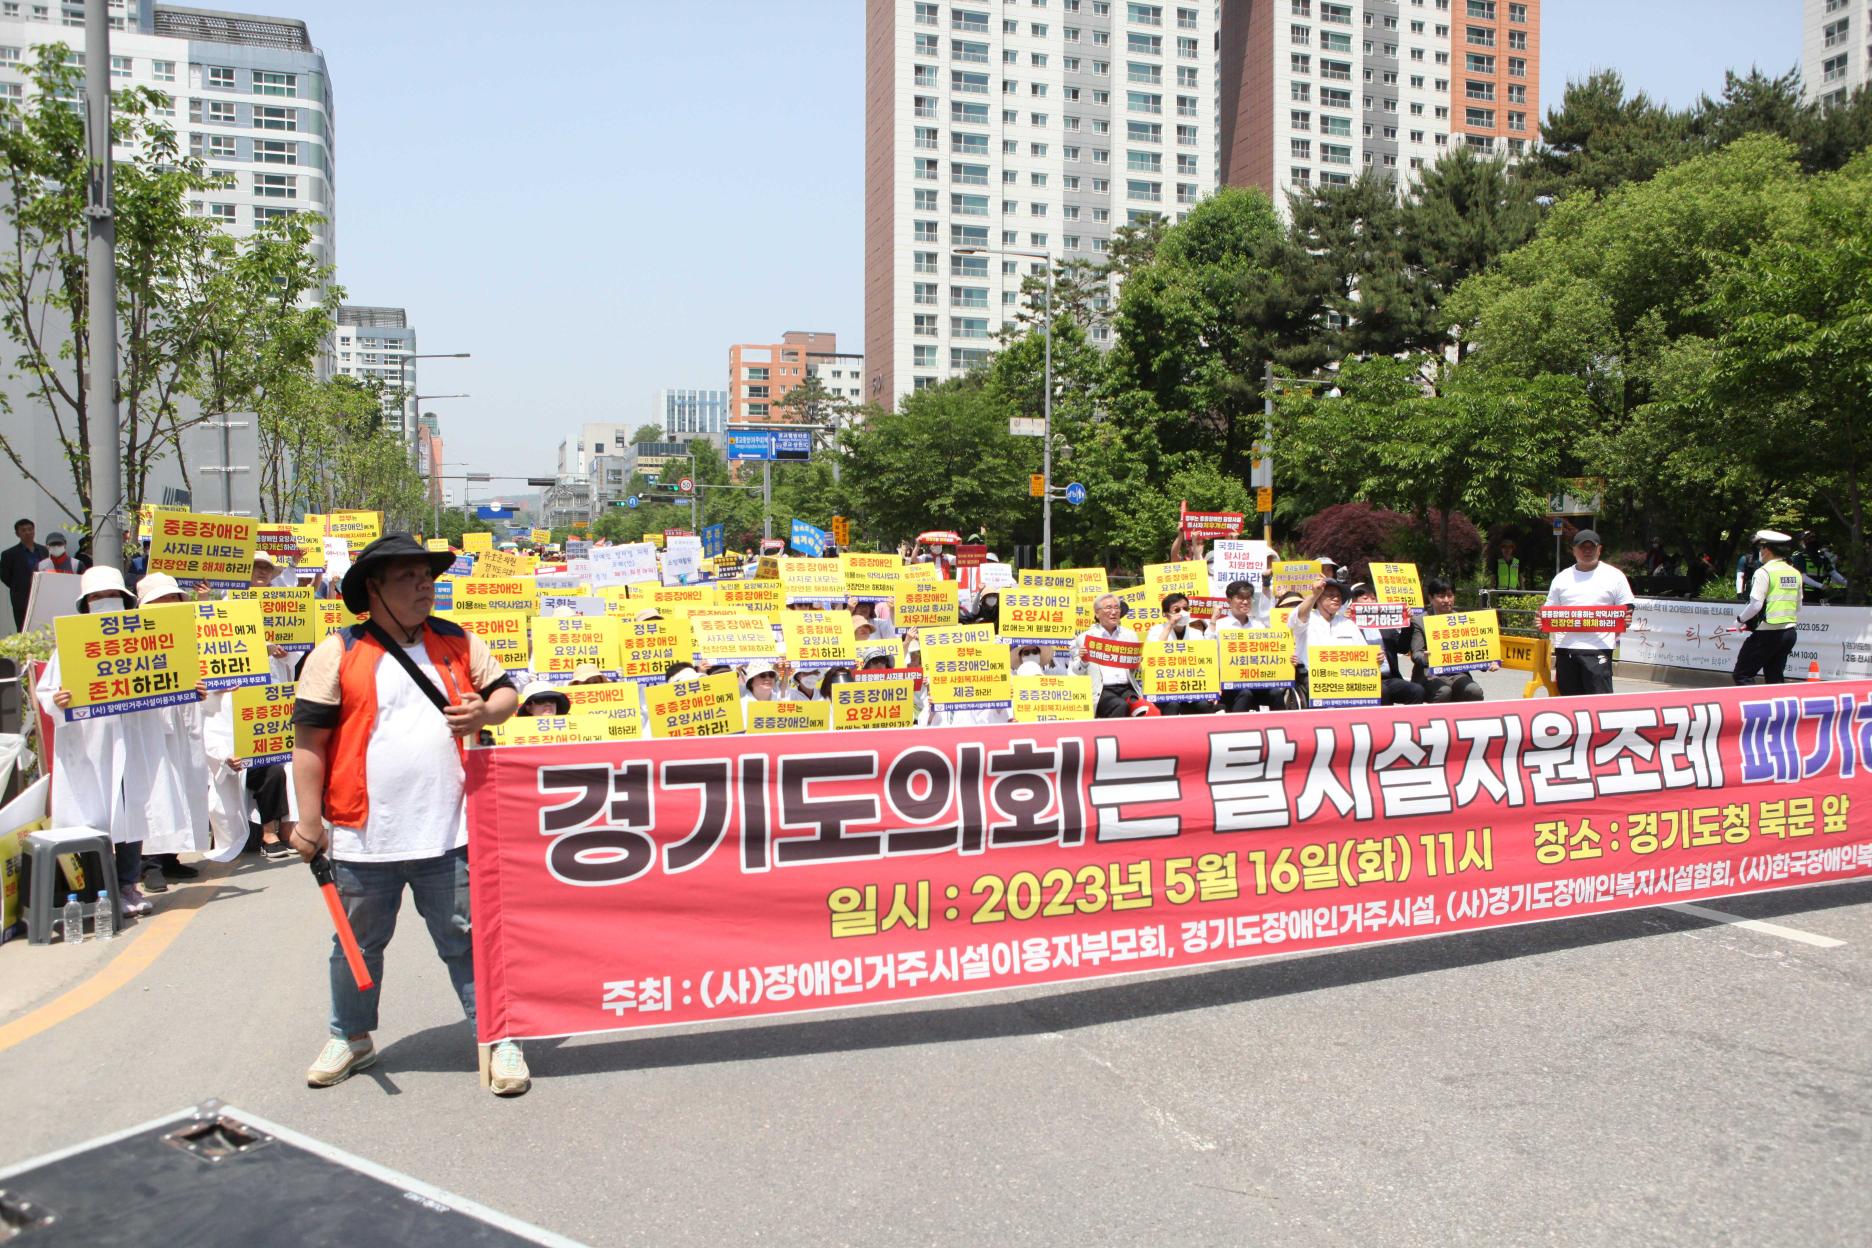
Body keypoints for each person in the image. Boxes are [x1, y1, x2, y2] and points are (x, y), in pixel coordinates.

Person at [289, 534, 526, 1096]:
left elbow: (508, 697)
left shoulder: (458, 641)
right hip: (362, 835)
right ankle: (350, 1035)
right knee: (355, 944)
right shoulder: (336, 653)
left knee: (467, 939)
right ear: (373, 589)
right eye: (409, 578)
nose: (425, 586)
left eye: (428, 577)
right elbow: (308, 743)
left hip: (450, 830)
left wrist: (484, 711)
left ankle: (499, 1038)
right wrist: (308, 821)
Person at [33, 567, 205, 919]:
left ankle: (128, 884)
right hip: (91, 746)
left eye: (110, 596)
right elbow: (47, 694)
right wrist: (59, 700)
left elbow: (164, 681)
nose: (104, 603)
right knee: (93, 818)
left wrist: (190, 691)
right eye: (96, 598)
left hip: (136, 739)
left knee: (134, 813)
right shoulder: (70, 648)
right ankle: (95, 890)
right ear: (86, 604)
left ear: (125, 601)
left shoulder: (145, 639)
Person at [133, 573, 215, 890]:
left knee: (187, 784)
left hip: (187, 718)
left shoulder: (190, 632)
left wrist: (208, 688)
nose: (168, 605)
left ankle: (171, 857)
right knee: (155, 790)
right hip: (152, 723)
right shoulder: (135, 639)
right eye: (159, 600)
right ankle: (148, 862)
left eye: (173, 598)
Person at [1543, 529, 1634, 697]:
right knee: (1568, 703)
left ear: (1599, 549)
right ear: (1573, 550)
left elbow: (1627, 608)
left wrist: (1626, 619)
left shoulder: (1615, 576)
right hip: (1566, 650)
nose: (1587, 551)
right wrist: (1541, 622)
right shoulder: (1561, 578)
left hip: (1599, 649)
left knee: (1599, 704)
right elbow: (1549, 613)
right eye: (1582, 547)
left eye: (1591, 547)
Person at [1733, 529, 1802, 685]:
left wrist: (1739, 620)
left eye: (1761, 548)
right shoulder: (1794, 572)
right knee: (1775, 679)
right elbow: (1798, 606)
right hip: (1789, 633)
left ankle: (1755, 710)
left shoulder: (1764, 572)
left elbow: (1756, 605)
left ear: (1767, 550)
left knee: (1742, 675)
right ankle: (1778, 709)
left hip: (1767, 633)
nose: (1759, 552)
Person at [1411, 577, 1489, 703]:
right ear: (1431, 598)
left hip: (1456, 673)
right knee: (1443, 692)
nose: (1447, 600)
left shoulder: (1462, 620)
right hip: (1429, 673)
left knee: (1474, 690)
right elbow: (1416, 653)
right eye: (1441, 596)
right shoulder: (1419, 621)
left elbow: (1474, 649)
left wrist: (1489, 662)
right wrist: (1425, 658)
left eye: (1450, 595)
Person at [1215, 579, 1288, 713]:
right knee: (1245, 693)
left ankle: (1284, 728)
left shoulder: (1258, 626)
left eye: (1248, 598)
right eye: (1240, 598)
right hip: (1229, 684)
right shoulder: (1219, 626)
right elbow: (1210, 656)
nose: (1245, 602)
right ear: (1229, 600)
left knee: (1276, 693)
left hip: (1258, 680)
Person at [1346, 583, 1424, 706]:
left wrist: (1408, 623)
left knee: (1416, 690)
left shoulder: (1385, 624)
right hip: (1363, 679)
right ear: (1354, 602)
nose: (1371, 602)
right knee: (1383, 692)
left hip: (1389, 678)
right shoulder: (1347, 625)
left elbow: (1402, 648)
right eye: (1365, 599)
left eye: (1373, 598)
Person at [1288, 577, 1361, 705]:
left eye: (1339, 596)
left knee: (1381, 690)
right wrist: (1314, 595)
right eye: (1331, 595)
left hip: (1346, 676)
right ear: (1319, 598)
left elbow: (1363, 651)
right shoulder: (1308, 619)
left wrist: (1376, 657)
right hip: (1314, 675)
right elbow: (1299, 618)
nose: (1336, 598)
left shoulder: (1348, 623)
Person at [1070, 593, 1140, 719]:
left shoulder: (1130, 635)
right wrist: (1083, 661)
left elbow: (1136, 670)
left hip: (1127, 688)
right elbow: (1075, 671)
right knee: (1120, 706)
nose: (1114, 612)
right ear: (1097, 613)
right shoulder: (1085, 638)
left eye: (1117, 608)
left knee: (1144, 708)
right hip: (1102, 690)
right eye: (1108, 608)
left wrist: (1137, 662)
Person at [1145, 592, 1217, 714]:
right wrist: (1170, 625)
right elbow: (1153, 654)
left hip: (1192, 687)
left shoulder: (1196, 633)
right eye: (1177, 609)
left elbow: (1207, 660)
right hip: (1166, 688)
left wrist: (1212, 689)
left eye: (1186, 608)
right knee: (1172, 705)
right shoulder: (1156, 630)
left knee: (1204, 705)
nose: (1182, 612)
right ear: (1166, 614)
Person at [1, 518, 48, 629]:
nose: (28, 532)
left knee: (43, 626)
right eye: (23, 530)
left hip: (42, 595)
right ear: (17, 534)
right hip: (21, 597)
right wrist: (19, 585)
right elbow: (5, 576)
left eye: (30, 529)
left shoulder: (43, 550)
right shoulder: (9, 554)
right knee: (23, 628)